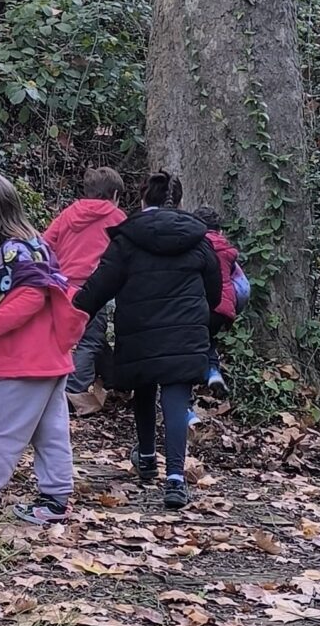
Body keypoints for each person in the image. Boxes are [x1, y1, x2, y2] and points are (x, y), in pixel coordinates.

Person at [74, 173, 220, 510]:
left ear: (142, 201)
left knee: (144, 388)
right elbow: (214, 292)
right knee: (175, 398)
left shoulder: (128, 238)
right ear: (179, 202)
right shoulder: (199, 240)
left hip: (139, 329)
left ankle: (147, 457)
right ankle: (175, 479)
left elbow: (101, 284)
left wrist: (74, 308)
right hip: (184, 332)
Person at [0, 173, 84, 526]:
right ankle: (55, 499)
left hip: (23, 360)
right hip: (50, 357)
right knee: (50, 432)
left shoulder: (11, 249)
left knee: (2, 433)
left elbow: (29, 298)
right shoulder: (36, 243)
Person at [43, 167, 126, 414]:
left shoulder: (69, 213)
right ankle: (73, 393)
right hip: (95, 288)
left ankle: (114, 380)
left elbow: (45, 243)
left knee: (79, 337)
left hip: (62, 287)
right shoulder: (116, 217)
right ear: (114, 195)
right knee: (89, 340)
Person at [194, 204, 250, 394]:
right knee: (209, 340)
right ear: (219, 230)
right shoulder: (228, 250)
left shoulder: (194, 245)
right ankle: (213, 373)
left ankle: (200, 378)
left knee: (197, 341)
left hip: (200, 304)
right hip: (224, 307)